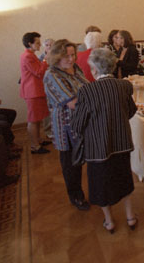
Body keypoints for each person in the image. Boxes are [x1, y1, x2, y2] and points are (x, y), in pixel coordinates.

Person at [71, 49, 138, 233]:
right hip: (122, 142)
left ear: (94, 69)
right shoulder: (124, 85)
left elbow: (78, 124)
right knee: (124, 178)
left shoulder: (87, 91)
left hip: (98, 147)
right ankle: (130, 217)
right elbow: (131, 111)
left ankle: (109, 221)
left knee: (100, 184)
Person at [43, 39, 90, 210]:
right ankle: (76, 196)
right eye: (66, 56)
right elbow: (72, 103)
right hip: (66, 126)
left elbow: (86, 87)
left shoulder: (75, 68)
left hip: (82, 121)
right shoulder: (52, 75)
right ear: (57, 56)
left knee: (83, 159)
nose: (71, 59)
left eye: (73, 55)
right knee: (71, 164)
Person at [20, 32, 51, 154]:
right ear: (30, 43)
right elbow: (38, 72)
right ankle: (34, 146)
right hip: (32, 91)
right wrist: (46, 59)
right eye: (37, 43)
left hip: (37, 90)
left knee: (37, 118)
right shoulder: (27, 56)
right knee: (33, 119)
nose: (40, 45)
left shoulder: (31, 55)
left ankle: (38, 140)